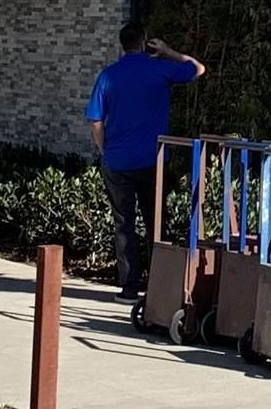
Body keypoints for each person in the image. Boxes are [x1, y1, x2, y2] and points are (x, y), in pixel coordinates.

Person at [86, 20, 205, 295]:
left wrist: (105, 150)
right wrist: (169, 51)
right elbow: (198, 69)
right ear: (144, 42)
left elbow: (95, 121)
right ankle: (158, 285)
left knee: (123, 223)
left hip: (117, 162)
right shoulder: (160, 69)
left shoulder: (108, 76)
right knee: (155, 221)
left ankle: (129, 285)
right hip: (153, 161)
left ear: (123, 45)